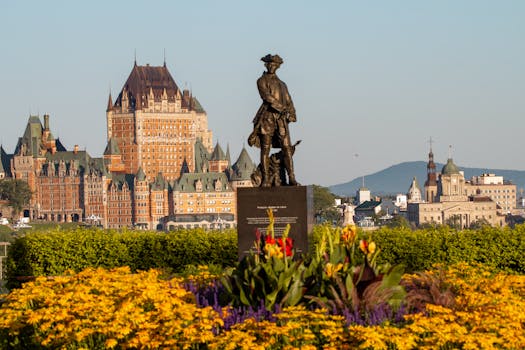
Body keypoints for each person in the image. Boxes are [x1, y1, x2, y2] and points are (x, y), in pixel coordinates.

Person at [248, 54, 298, 187]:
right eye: (269, 64)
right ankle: (265, 179)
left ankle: (291, 178)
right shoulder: (261, 80)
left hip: (281, 121)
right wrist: (282, 108)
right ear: (266, 65)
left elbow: (288, 100)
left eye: (274, 65)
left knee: (287, 148)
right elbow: (267, 98)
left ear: (278, 67)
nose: (271, 66)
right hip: (267, 118)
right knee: (265, 149)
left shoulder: (282, 84)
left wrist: (292, 113)